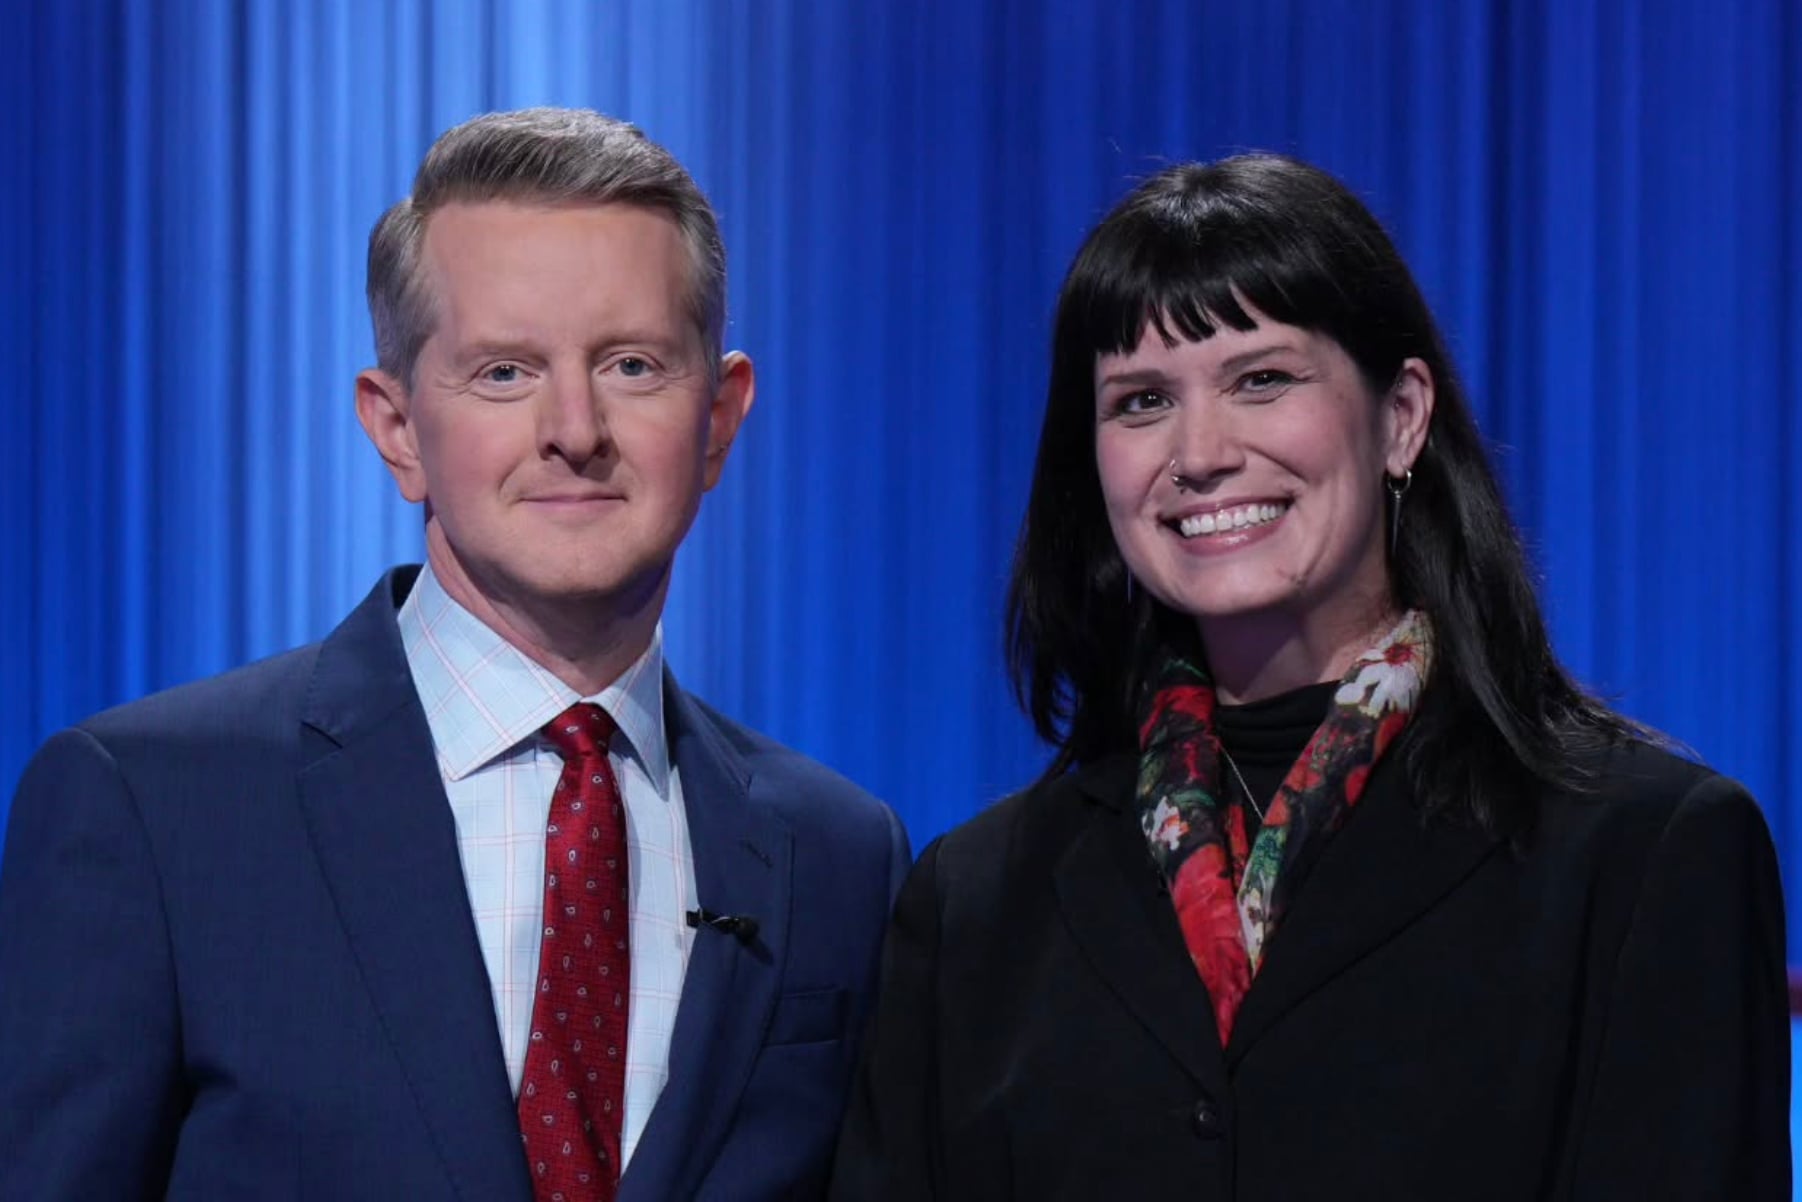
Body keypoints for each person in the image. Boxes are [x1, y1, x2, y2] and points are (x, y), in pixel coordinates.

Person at [830, 155, 1788, 1199]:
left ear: (1399, 416)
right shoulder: (972, 903)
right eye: (1141, 400)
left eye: (1261, 378)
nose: (1198, 452)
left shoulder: (1643, 851)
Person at [0, 107, 908, 1201]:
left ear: (717, 417)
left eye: (630, 363)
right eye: (504, 374)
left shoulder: (842, 853)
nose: (574, 427)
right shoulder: (151, 809)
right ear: (394, 427)